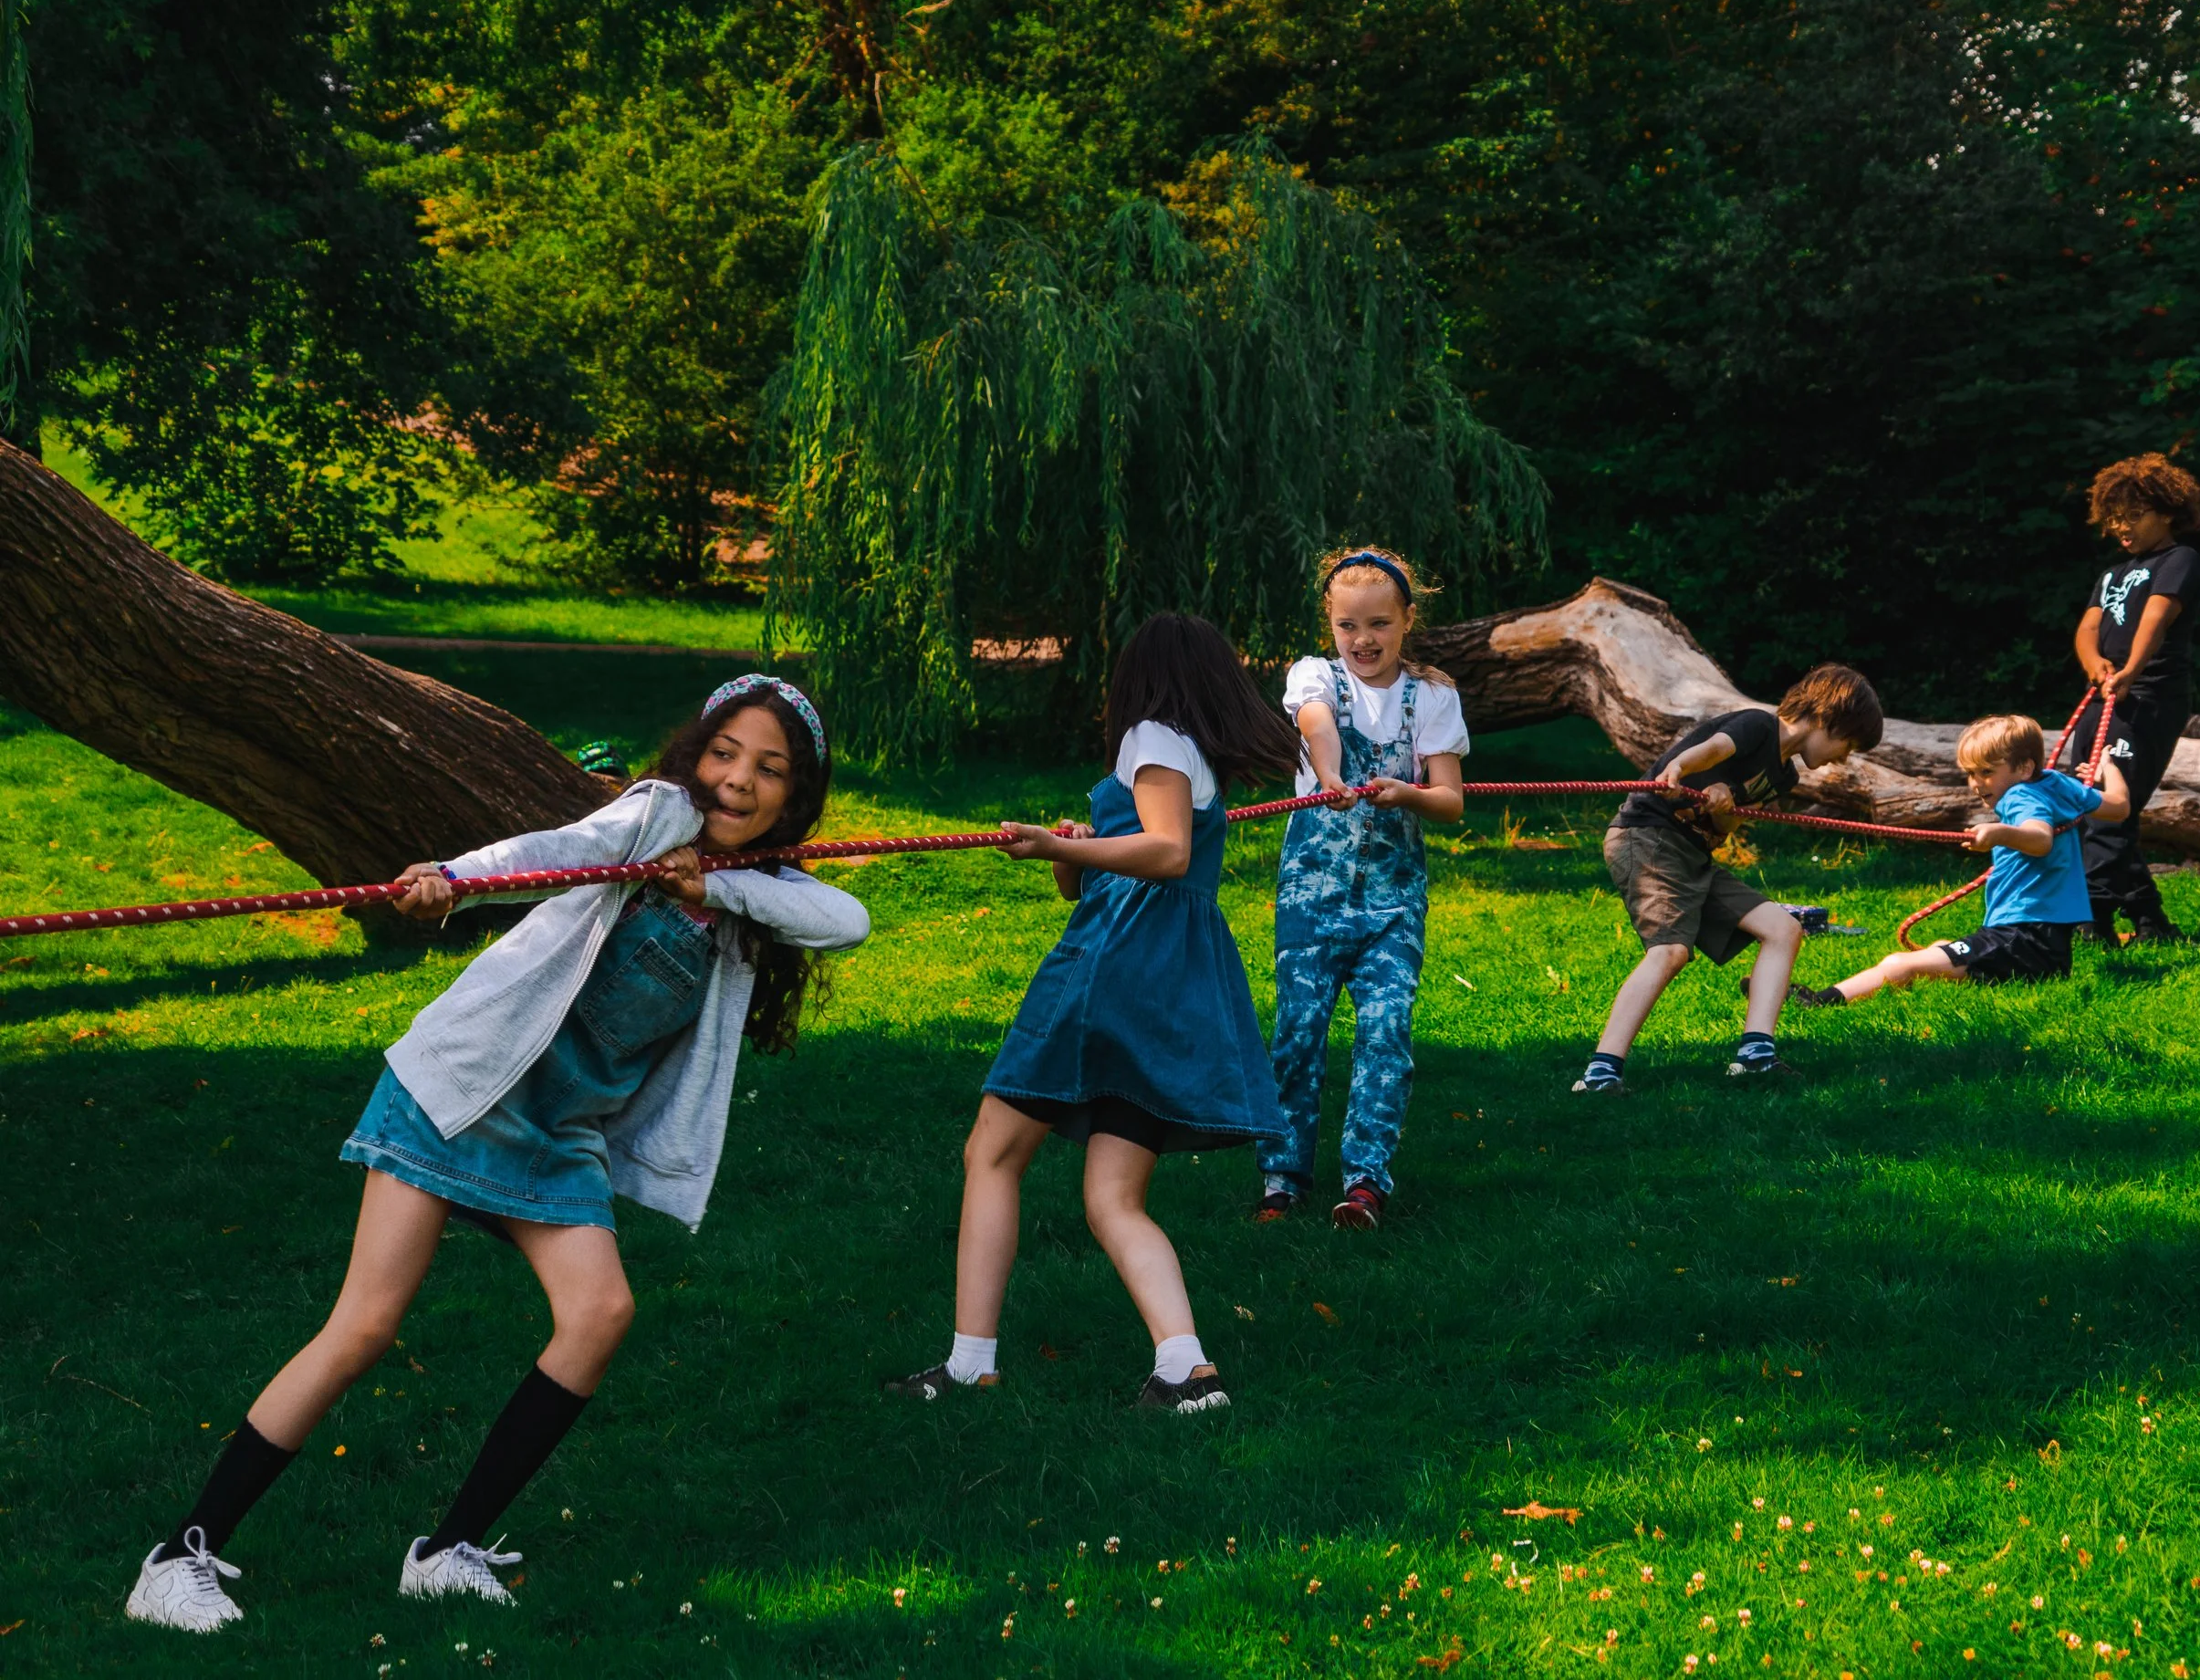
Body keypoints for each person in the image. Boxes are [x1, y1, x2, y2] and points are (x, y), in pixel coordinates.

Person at [124, 677, 870, 1633]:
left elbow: (845, 922)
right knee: (363, 1328)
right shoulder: (655, 816)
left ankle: (446, 1552)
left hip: (556, 1135)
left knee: (599, 1314)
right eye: (724, 752)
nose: (737, 780)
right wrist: (455, 875)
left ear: (795, 797)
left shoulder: (758, 898)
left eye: (769, 769)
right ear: (695, 756)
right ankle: (178, 1555)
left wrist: (711, 886)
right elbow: (557, 850)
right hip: (464, 1088)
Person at [885, 613, 1298, 1415]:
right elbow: (1129, 860)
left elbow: (1167, 850)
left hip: (1114, 968)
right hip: (1173, 978)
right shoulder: (1191, 751)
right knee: (1113, 1197)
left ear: (1144, 677)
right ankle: (1186, 1370)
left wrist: (1054, 847)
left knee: (993, 1151)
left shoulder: (1151, 734)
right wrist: (1075, 850)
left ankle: (971, 1364)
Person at [1255, 548, 1467, 1231]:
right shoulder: (1314, 675)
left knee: (1385, 1030)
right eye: (1348, 625)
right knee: (1298, 1031)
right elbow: (1316, 724)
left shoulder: (1432, 695)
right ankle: (1282, 1178)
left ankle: (1366, 1182)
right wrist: (1330, 776)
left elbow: (1451, 800)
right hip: (1311, 895)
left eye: (1379, 623)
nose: (1363, 639)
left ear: (1408, 619)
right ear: (1330, 623)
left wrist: (1411, 794)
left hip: (1393, 898)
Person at [1573, 665, 1883, 1094]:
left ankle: (1755, 1057)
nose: (1843, 758)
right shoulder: (1758, 725)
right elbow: (1714, 748)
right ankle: (1600, 1073)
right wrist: (1678, 767)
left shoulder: (1785, 775)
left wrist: (1725, 805)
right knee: (1669, 952)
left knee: (1783, 929)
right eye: (1847, 745)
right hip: (1648, 836)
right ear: (1828, 718)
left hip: (1692, 854)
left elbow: (1727, 827)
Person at [1790, 715, 2128, 1004]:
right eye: (1970, 773)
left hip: (2021, 940)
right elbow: (2119, 805)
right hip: (2043, 944)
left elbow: (2039, 840)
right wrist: (2108, 768)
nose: (1975, 783)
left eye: (1985, 771)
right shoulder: (2057, 784)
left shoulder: (2021, 796)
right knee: (1941, 948)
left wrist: (1997, 833)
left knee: (1899, 963)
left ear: (2024, 768)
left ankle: (1822, 1001)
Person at [2063, 454, 2200, 945]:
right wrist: (2096, 666)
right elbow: (2087, 628)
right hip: (2104, 696)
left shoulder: (2179, 561)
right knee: (2088, 804)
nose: (2120, 527)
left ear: (2166, 512)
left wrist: (2131, 671)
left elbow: (2156, 618)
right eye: (2113, 519)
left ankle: (2092, 921)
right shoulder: (2111, 573)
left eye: (2132, 516)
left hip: (2147, 698)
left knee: (2107, 803)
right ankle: (2150, 920)